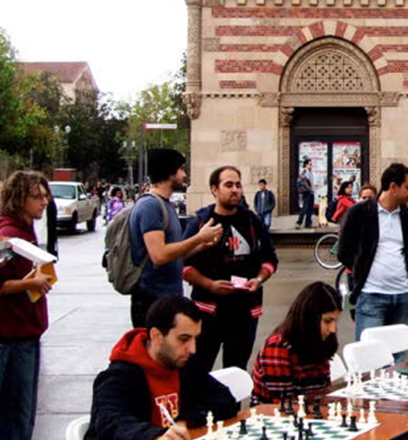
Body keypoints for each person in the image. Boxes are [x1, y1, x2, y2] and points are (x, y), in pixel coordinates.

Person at [85, 294, 238, 440]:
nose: (192, 349)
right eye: (183, 339)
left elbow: (224, 399)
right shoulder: (118, 376)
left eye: (195, 338)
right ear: (156, 336)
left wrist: (184, 421)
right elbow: (110, 422)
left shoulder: (182, 363)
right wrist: (154, 435)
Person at [181, 166, 278, 374]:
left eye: (238, 185)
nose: (235, 190)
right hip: (207, 311)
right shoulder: (200, 222)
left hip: (244, 311)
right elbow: (183, 265)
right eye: (228, 185)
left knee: (236, 373)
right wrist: (209, 285)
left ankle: (231, 408)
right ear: (214, 189)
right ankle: (199, 408)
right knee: (198, 371)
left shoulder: (252, 221)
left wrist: (258, 280)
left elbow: (270, 259)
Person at [0, 171, 54, 440]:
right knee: (14, 415)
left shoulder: (20, 229)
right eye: (37, 196)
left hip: (23, 331)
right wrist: (32, 284)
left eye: (45, 195)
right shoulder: (9, 233)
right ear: (18, 198)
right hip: (12, 334)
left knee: (18, 413)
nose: (44, 201)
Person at [129, 148, 223, 328]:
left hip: (166, 298)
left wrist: (203, 244)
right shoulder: (150, 206)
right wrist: (197, 238)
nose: (185, 174)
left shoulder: (166, 205)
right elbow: (159, 255)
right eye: (181, 169)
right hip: (151, 300)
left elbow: (174, 255)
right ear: (169, 171)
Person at [336, 163, 408, 346]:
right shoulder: (359, 212)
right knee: (369, 358)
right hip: (371, 296)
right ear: (393, 187)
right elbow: (344, 252)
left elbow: (407, 253)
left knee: (400, 362)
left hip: (403, 298)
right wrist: (363, 270)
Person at [251, 282, 342, 405]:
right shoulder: (277, 347)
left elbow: (323, 392)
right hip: (272, 417)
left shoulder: (321, 340)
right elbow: (284, 405)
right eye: (327, 321)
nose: (333, 329)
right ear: (310, 318)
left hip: (309, 411)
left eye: (335, 321)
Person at [295, 159, 315, 230]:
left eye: (311, 164)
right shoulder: (304, 172)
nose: (311, 165)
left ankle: (308, 223)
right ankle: (299, 222)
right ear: (306, 165)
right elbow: (300, 180)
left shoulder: (310, 172)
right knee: (305, 207)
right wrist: (308, 188)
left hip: (311, 192)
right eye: (310, 164)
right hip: (307, 192)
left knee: (310, 208)